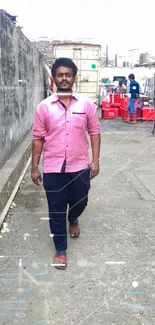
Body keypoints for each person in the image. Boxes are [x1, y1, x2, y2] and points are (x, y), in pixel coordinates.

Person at [31, 57, 101, 270]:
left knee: (80, 202)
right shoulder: (44, 107)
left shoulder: (86, 104)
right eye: (60, 75)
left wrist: (95, 161)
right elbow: (38, 138)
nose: (64, 78)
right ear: (53, 79)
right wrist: (35, 167)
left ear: (74, 79)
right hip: (53, 168)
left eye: (68, 75)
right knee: (56, 208)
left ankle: (74, 217)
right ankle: (60, 249)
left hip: (79, 166)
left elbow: (95, 132)